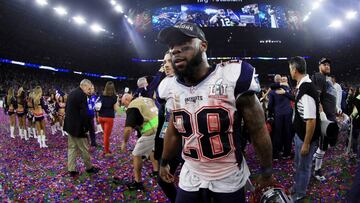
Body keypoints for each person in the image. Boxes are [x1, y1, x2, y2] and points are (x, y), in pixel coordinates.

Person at [158, 22, 274, 202]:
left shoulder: (231, 76)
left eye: (183, 42)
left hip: (228, 176)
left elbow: (258, 129)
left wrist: (266, 171)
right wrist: (164, 162)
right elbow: (173, 130)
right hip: (191, 174)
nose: (175, 50)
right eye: (172, 46)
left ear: (203, 45)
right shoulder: (170, 86)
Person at [289, 56, 320, 201]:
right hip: (300, 135)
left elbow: (311, 120)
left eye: (290, 69)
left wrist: (307, 143)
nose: (290, 71)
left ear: (295, 70)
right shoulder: (303, 85)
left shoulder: (306, 88)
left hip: (305, 138)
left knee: (303, 167)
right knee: (298, 164)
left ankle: (299, 193)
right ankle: (297, 187)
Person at [155, 51, 182, 202]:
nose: (166, 65)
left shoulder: (189, 79)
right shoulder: (165, 82)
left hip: (189, 130)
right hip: (170, 123)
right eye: (164, 62)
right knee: (162, 177)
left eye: (169, 61)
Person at [120, 93, 159, 190]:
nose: (124, 106)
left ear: (127, 99)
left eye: (124, 103)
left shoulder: (133, 106)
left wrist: (124, 142)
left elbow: (128, 129)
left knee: (136, 154)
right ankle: (156, 171)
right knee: (152, 150)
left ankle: (138, 182)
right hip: (160, 127)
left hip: (150, 131)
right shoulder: (146, 98)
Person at [63, 79, 99, 177]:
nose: (90, 90)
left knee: (72, 148)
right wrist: (86, 128)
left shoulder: (72, 93)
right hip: (78, 127)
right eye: (89, 88)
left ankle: (71, 169)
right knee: (84, 149)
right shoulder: (82, 95)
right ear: (84, 86)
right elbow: (84, 114)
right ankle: (89, 168)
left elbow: (67, 109)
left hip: (70, 126)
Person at [311, 58, 338, 181]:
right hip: (325, 117)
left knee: (327, 144)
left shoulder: (328, 79)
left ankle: (313, 159)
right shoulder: (318, 76)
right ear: (319, 66)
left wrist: (337, 109)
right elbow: (316, 97)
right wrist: (322, 115)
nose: (327, 66)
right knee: (323, 146)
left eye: (329, 64)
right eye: (324, 64)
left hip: (330, 115)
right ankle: (317, 171)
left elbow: (330, 97)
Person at [98, 81, 119, 156]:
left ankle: (107, 149)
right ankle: (106, 151)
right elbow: (117, 109)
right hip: (108, 118)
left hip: (100, 117)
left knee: (105, 135)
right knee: (106, 135)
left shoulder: (101, 95)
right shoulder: (114, 97)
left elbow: (98, 106)